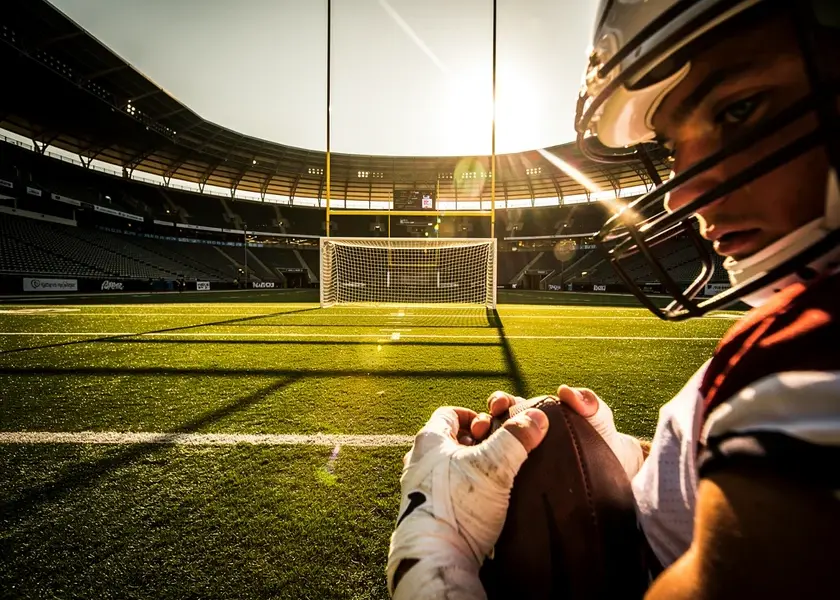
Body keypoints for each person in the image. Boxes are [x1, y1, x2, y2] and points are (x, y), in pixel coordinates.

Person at [387, 1, 840, 598]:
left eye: (739, 110)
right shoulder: (797, 336)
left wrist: (429, 550)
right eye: (674, 148)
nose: (685, 194)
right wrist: (635, 458)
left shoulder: (809, 351)